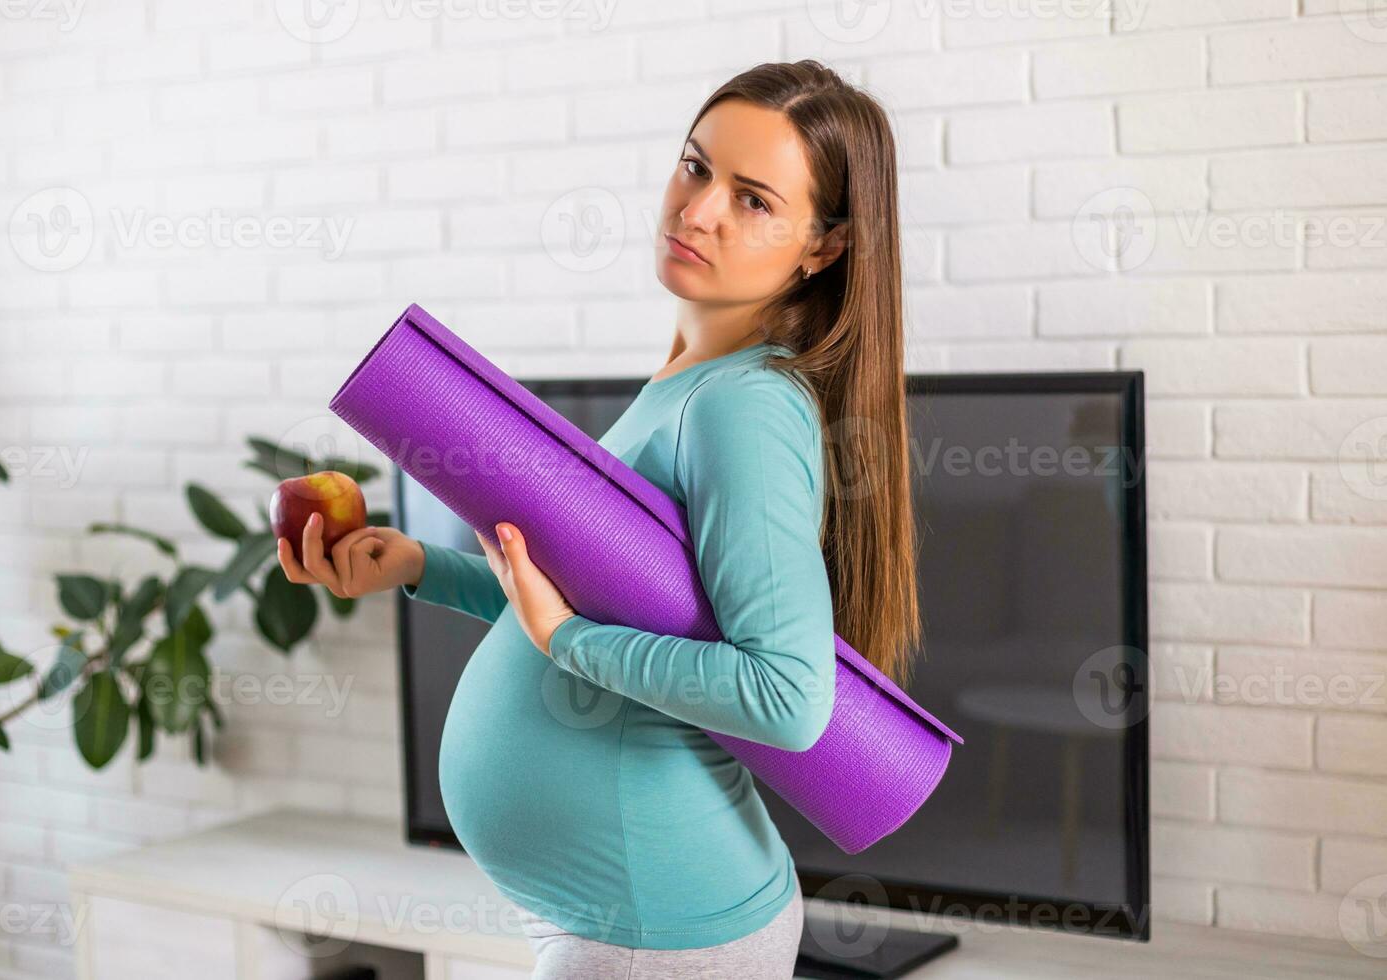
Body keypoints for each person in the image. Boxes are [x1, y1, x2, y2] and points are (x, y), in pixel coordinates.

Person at [277, 58, 924, 980]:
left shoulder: (747, 407)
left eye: (753, 200)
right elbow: (620, 600)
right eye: (696, 168)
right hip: (623, 917)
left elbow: (786, 697)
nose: (697, 210)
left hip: (662, 931)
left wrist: (568, 642)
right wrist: (418, 564)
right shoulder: (691, 384)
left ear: (823, 245)